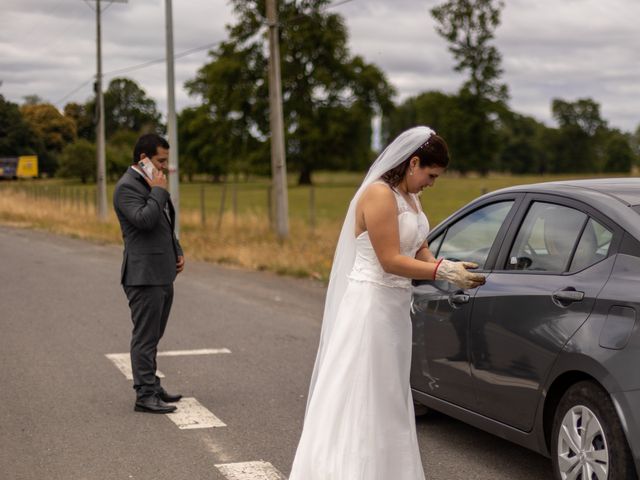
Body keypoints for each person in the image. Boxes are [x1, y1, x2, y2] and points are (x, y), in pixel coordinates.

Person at [289, 126, 485, 479]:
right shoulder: (379, 195)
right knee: (364, 392)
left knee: (390, 394)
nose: (431, 183)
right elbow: (390, 260)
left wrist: (447, 264)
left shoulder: (411, 197)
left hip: (395, 308)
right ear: (413, 163)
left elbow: (420, 249)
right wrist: (441, 272)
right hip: (370, 306)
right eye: (430, 174)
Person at [113, 133, 185, 414]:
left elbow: (163, 223)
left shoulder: (149, 182)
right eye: (161, 160)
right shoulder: (126, 187)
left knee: (154, 335)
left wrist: (176, 249)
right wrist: (158, 191)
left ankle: (152, 385)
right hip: (143, 275)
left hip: (162, 271)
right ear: (144, 159)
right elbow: (144, 221)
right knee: (144, 337)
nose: (165, 167)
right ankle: (144, 395)